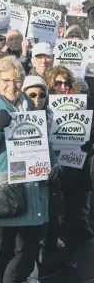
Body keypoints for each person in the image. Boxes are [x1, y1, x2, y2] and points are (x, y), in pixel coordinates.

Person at [0, 56, 60, 283]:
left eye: (17, 80)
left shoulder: (30, 108)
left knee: (25, 251)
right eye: (7, 80)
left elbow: (44, 145)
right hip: (0, 192)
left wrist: (54, 165)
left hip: (30, 191)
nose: (13, 86)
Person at [45, 66, 94, 267]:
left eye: (67, 83)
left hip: (76, 167)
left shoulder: (83, 106)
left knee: (73, 215)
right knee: (52, 216)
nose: (64, 87)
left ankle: (70, 256)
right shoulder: (42, 106)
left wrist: (88, 143)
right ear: (50, 86)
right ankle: (49, 254)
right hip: (54, 169)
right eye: (58, 83)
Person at [22, 76, 63, 283]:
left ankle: (33, 280)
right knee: (16, 240)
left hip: (43, 185)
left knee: (40, 234)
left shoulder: (51, 118)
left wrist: (56, 166)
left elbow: (54, 150)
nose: (38, 99)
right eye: (32, 94)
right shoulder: (16, 117)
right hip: (19, 186)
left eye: (42, 94)